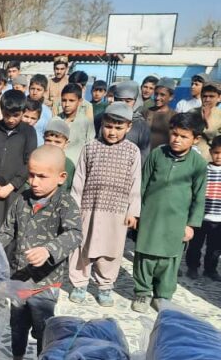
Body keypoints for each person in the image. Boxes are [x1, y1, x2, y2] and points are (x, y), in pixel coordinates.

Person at [0, 145, 82, 360]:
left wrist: (49, 250)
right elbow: (6, 231)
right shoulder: (22, 199)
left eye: (42, 176)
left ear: (61, 177)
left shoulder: (65, 203)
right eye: (31, 175)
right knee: (17, 325)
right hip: (20, 278)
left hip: (46, 282)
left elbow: (75, 234)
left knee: (43, 329)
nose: (34, 182)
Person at [132, 112, 207, 312]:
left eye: (183, 136)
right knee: (145, 256)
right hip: (151, 217)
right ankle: (142, 292)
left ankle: (162, 296)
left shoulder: (198, 164)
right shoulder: (157, 154)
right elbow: (142, 184)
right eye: (174, 134)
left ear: (196, 139)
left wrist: (191, 225)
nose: (177, 139)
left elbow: (199, 197)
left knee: (169, 260)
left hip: (177, 221)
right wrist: (135, 212)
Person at [68, 102, 141, 307]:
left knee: (111, 249)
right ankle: (79, 283)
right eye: (108, 126)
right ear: (102, 125)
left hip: (117, 211)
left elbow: (136, 182)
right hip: (89, 207)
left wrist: (133, 211)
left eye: (119, 128)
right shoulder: (90, 147)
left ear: (128, 127)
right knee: (83, 246)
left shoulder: (132, 151)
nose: (112, 132)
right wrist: (75, 207)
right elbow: (79, 179)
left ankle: (105, 286)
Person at [0, 89, 38, 232]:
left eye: (15, 115)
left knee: (5, 233)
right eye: (6, 115)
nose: (10, 120)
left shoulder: (28, 132)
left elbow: (29, 162)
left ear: (23, 112)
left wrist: (10, 187)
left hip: (12, 193)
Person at [185, 135, 221, 281]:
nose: (219, 156)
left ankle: (210, 269)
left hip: (219, 220)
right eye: (216, 152)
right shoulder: (203, 169)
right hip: (200, 217)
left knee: (215, 248)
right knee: (195, 245)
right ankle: (192, 267)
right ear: (211, 152)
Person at [95, 81, 150, 166]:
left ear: (136, 101)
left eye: (128, 101)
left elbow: (143, 155)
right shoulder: (101, 118)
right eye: (119, 100)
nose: (123, 105)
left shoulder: (141, 125)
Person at [58, 83, 94, 164]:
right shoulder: (55, 121)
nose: (67, 104)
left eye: (71, 101)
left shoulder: (86, 123)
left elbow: (90, 147)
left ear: (80, 102)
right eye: (64, 100)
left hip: (77, 165)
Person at [44, 118, 75, 190]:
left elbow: (69, 189)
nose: (52, 145)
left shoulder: (68, 165)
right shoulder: (36, 159)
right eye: (48, 140)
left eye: (57, 142)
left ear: (66, 144)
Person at [146, 77, 175, 149]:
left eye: (162, 95)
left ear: (171, 97)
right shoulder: (146, 113)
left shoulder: (175, 116)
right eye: (156, 94)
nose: (157, 98)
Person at [195, 82, 221, 160]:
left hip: (211, 159)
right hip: (192, 156)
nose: (207, 99)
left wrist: (206, 120)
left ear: (219, 98)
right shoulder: (192, 112)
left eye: (211, 96)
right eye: (204, 96)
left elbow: (216, 140)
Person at [28, 73, 52, 145]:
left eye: (39, 90)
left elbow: (47, 134)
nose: (35, 92)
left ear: (45, 91)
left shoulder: (47, 112)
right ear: (29, 88)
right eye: (32, 89)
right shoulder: (21, 105)